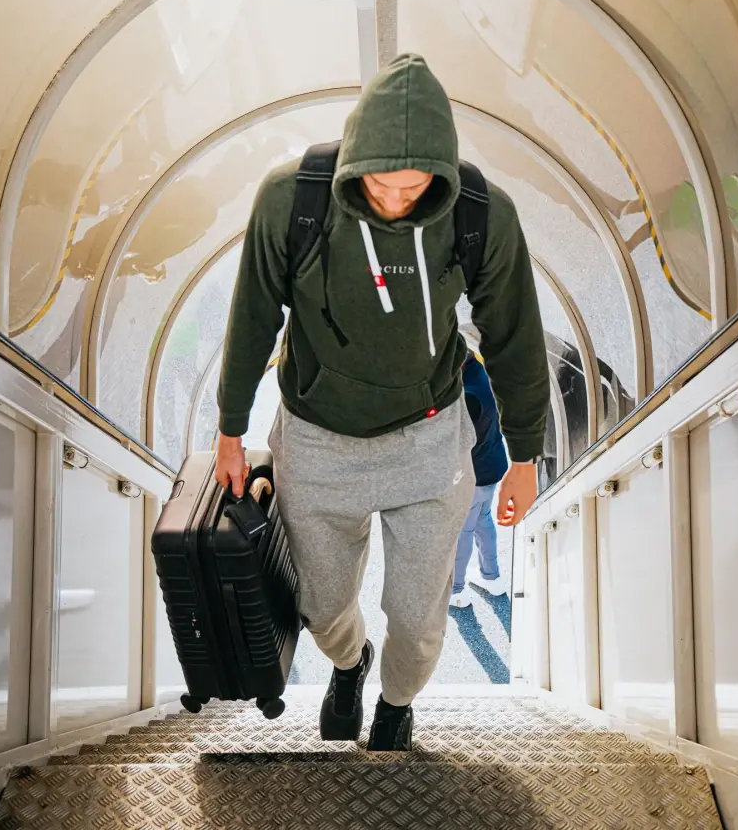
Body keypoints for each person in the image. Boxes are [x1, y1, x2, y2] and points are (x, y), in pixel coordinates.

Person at [215, 53, 549, 751]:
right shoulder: (291, 201)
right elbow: (251, 318)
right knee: (323, 606)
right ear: (354, 160)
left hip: (428, 440)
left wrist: (524, 457)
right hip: (316, 438)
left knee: (421, 619)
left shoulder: (480, 214)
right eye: (381, 184)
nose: (397, 199)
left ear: (442, 170)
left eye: (416, 184)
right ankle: (349, 665)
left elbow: (515, 337)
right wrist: (228, 430)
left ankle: (396, 704)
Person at [450, 344, 509, 609]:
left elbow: (459, 441)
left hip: (475, 473)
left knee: (464, 529)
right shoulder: (483, 371)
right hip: (492, 464)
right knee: (483, 520)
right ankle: (491, 577)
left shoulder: (470, 395)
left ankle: (456, 590)